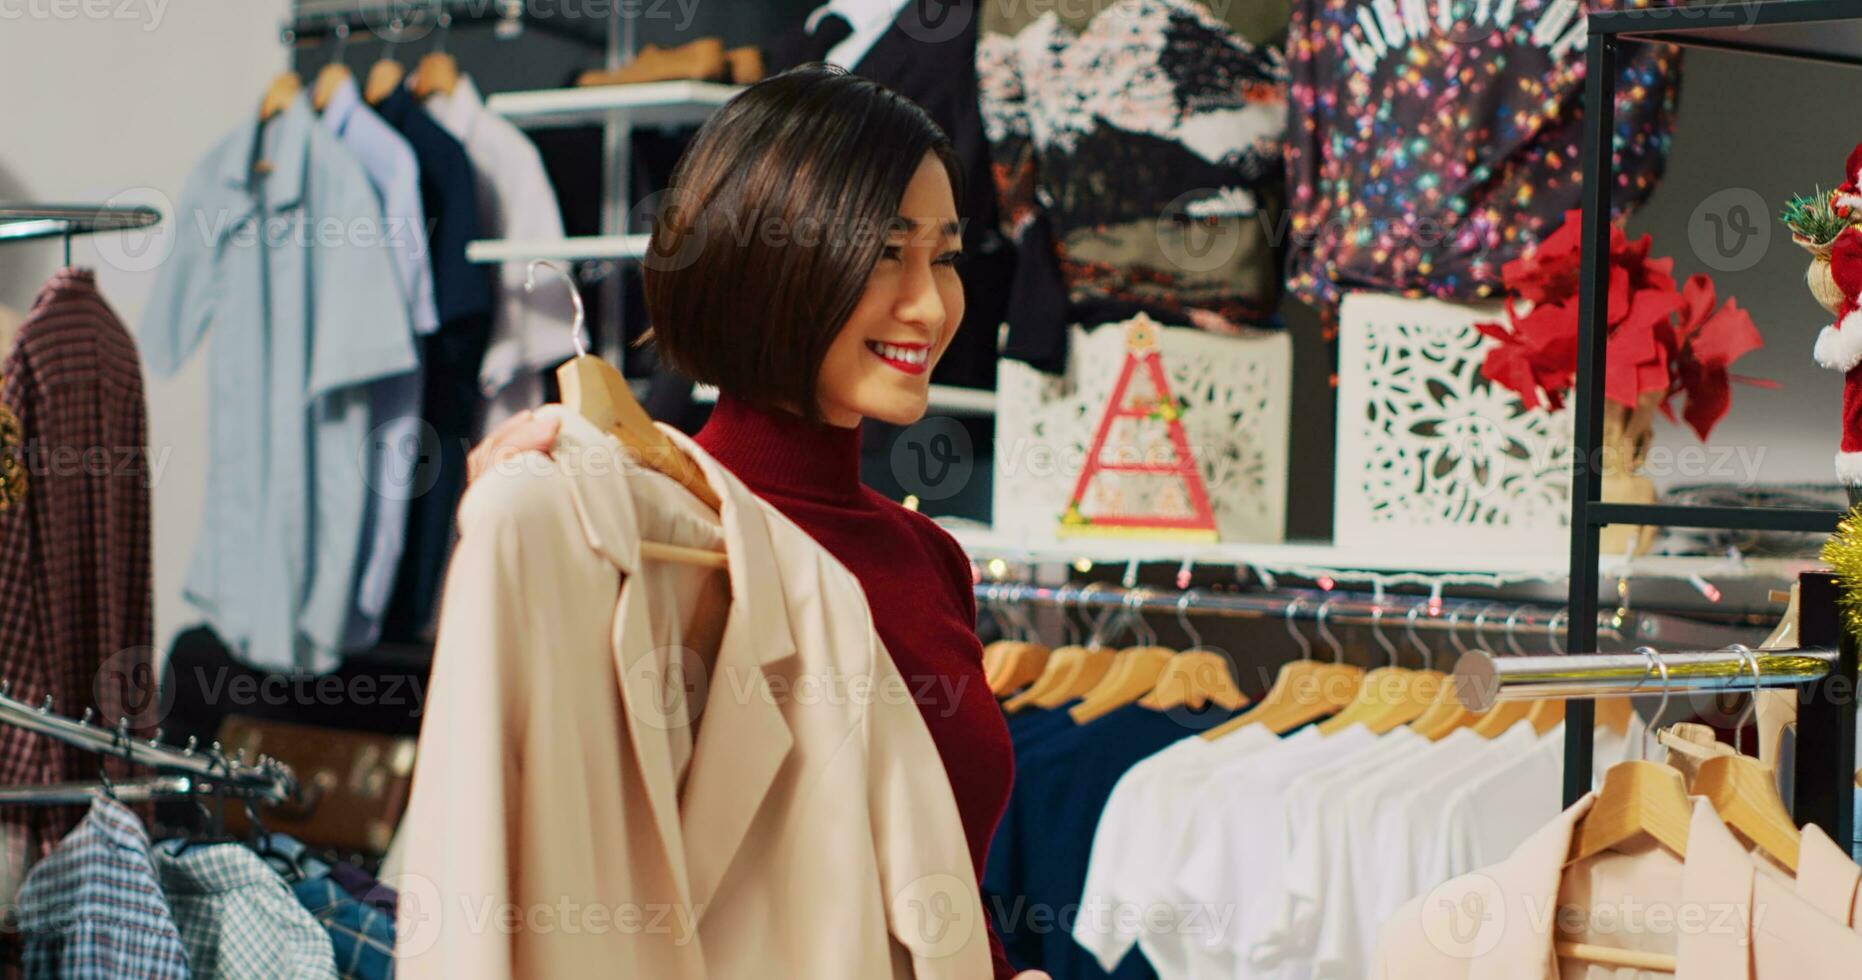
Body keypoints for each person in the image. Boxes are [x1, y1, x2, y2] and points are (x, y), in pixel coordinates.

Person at [465, 65, 1041, 979]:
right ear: (774, 258)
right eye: (888, 253)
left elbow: (946, 895)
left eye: (946, 256)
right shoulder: (661, 542)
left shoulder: (929, 558)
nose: (931, 305)